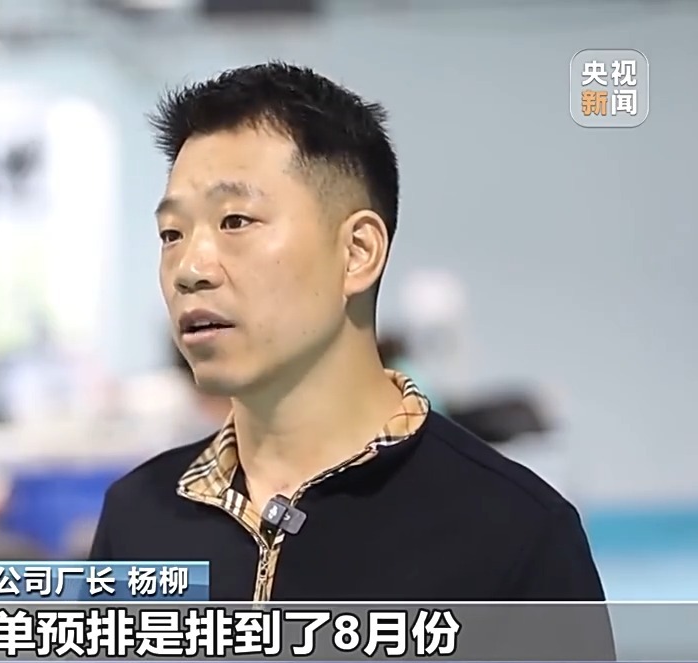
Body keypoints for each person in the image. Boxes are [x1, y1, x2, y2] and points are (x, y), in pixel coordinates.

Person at [88, 63, 610, 612]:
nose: (189, 268)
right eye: (171, 233)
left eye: (236, 221)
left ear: (358, 252)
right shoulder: (136, 518)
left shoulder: (514, 535)